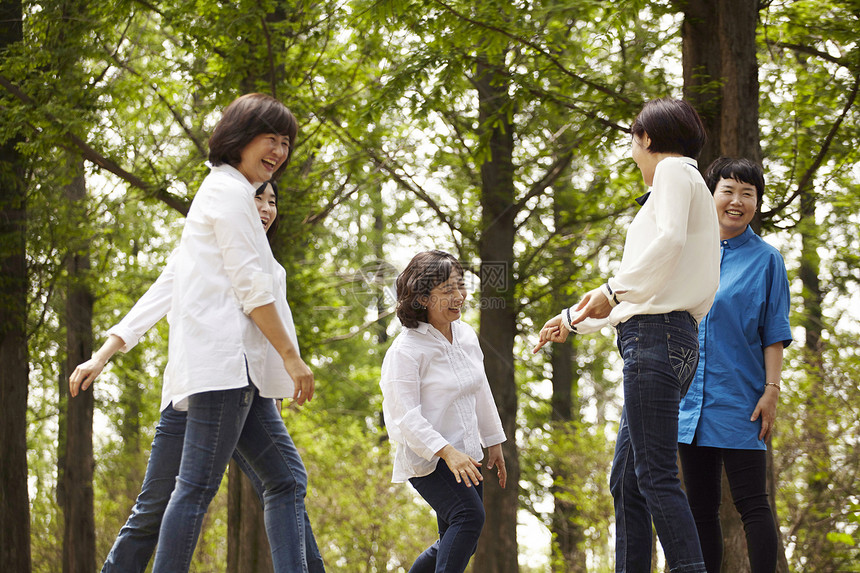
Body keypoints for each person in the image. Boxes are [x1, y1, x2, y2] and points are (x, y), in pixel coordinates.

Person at [71, 93, 321, 573]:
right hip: (220, 369)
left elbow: (172, 283)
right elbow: (246, 287)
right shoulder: (226, 193)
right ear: (240, 137)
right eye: (269, 138)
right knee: (190, 492)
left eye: (285, 142)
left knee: (285, 479)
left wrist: (106, 351)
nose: (278, 151)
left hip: (227, 373)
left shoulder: (230, 198)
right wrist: (291, 358)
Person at [534, 98, 719, 572]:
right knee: (627, 481)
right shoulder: (684, 185)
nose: (633, 153)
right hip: (664, 339)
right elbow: (651, 286)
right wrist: (572, 320)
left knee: (654, 476)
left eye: (633, 143)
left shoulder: (675, 172)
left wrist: (613, 291)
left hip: (656, 341)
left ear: (647, 139)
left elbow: (664, 250)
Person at [677, 157, 791, 573]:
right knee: (699, 508)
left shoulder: (767, 260)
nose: (736, 201)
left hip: (741, 400)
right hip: (689, 402)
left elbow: (774, 332)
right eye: (727, 190)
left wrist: (771, 391)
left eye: (748, 193)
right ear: (711, 195)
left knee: (753, 505)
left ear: (757, 203)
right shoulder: (688, 251)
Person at [380, 250, 507, 573]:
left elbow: (479, 388)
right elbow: (404, 416)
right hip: (430, 458)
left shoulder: (465, 335)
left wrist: (493, 441)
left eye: (460, 286)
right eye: (448, 290)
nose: (459, 297)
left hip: (468, 454)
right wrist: (447, 453)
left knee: (460, 535)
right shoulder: (406, 350)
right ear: (421, 298)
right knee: (469, 518)